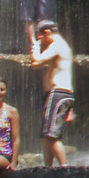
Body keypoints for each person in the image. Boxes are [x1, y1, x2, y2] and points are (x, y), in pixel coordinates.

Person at [28, 20, 75, 168]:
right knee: (45, 135)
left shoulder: (57, 45)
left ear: (47, 32)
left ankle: (64, 168)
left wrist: (34, 45)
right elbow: (36, 64)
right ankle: (48, 167)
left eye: (40, 37)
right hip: (57, 94)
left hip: (58, 93)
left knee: (51, 135)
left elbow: (37, 60)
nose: (40, 41)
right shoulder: (58, 46)